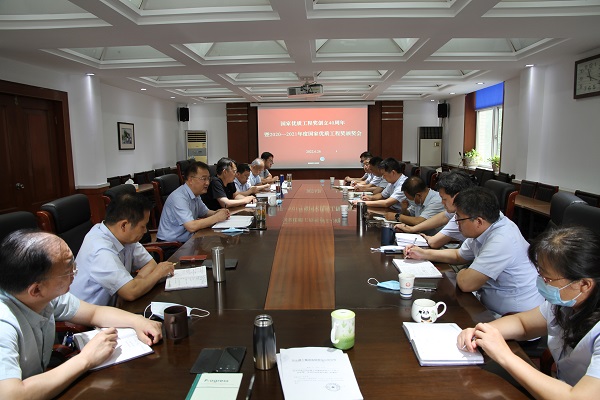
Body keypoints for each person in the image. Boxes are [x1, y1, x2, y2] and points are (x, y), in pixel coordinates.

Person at [0, 230, 163, 399]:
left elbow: (94, 313)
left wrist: (138, 321)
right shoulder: (4, 323)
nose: (75, 271)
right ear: (36, 290)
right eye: (68, 270)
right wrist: (86, 359)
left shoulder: (45, 296)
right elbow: (12, 396)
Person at [457, 226, 600, 398]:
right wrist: (482, 331)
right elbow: (523, 324)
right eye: (540, 275)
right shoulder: (566, 304)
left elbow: (576, 397)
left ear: (584, 284)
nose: (541, 282)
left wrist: (504, 355)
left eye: (547, 279)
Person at [405, 187, 543, 316]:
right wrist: (423, 253)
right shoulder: (487, 224)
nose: (457, 223)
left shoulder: (502, 239)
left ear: (478, 222)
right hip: (486, 303)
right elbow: (458, 255)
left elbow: (466, 283)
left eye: (459, 219)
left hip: (511, 316)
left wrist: (463, 272)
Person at [70, 193, 175, 306]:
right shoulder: (100, 250)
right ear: (124, 225)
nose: (145, 231)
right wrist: (158, 274)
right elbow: (131, 293)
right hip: (87, 314)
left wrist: (134, 283)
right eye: (143, 226)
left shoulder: (123, 236)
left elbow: (150, 263)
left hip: (113, 308)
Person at [394, 169, 475, 248]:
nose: (442, 202)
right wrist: (412, 229)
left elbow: (434, 242)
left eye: (444, 199)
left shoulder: (464, 217)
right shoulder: (460, 211)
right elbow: (443, 216)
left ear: (457, 197)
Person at [157, 161, 230, 244]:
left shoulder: (195, 194)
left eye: (208, 179)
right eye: (203, 179)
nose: (207, 183)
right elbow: (191, 226)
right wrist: (217, 217)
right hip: (171, 245)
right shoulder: (179, 197)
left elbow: (205, 212)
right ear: (190, 180)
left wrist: (218, 212)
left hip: (188, 240)